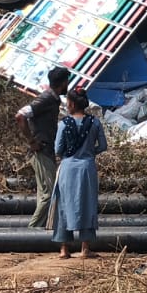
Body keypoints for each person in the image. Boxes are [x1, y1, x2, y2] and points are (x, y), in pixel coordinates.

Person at [52, 84, 107, 259]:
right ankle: (85, 248)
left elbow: (58, 149)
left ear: (71, 104)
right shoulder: (95, 122)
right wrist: (90, 153)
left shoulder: (63, 124)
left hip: (67, 168)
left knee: (63, 205)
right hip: (87, 167)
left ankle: (64, 249)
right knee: (87, 204)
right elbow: (103, 146)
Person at [14, 66, 69, 231]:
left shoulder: (52, 99)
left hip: (46, 150)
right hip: (41, 150)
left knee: (44, 193)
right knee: (49, 193)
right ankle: (31, 232)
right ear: (64, 83)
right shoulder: (45, 99)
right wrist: (31, 141)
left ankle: (42, 230)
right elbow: (20, 115)